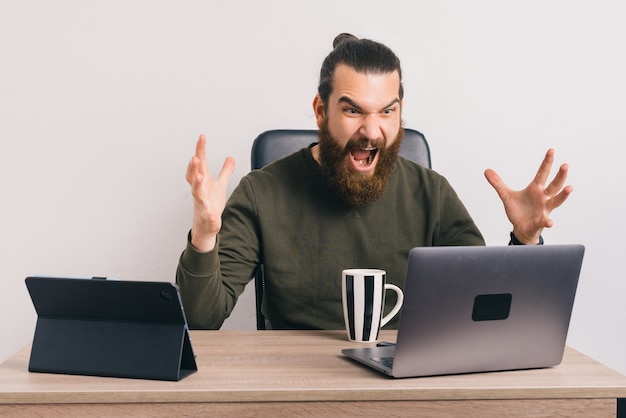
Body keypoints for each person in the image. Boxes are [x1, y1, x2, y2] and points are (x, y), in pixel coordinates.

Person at [176, 33, 572, 330]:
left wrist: (524, 243)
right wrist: (206, 235)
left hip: (408, 383)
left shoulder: (431, 193)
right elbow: (200, 320)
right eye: (352, 110)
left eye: (387, 111)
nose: (371, 130)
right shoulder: (262, 192)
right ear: (320, 110)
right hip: (299, 386)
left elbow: (485, 309)